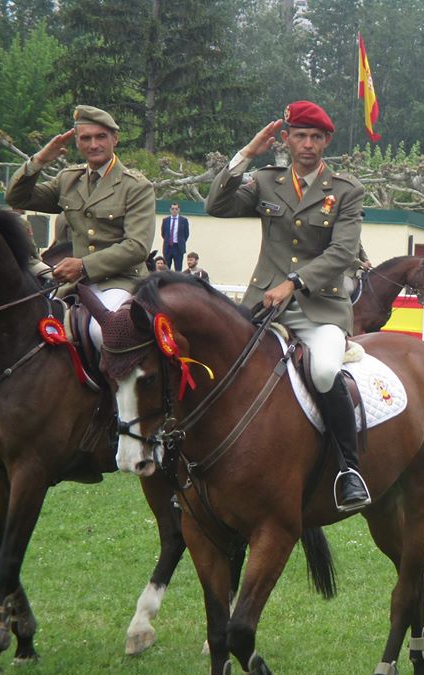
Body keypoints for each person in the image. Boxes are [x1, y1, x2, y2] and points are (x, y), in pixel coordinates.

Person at [205, 99, 370, 513]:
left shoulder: (346, 191)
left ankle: (348, 470)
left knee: (325, 370)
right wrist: (245, 155)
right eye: (300, 136)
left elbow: (344, 251)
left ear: (327, 141)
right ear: (286, 140)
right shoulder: (265, 181)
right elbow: (216, 206)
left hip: (321, 308)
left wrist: (294, 283)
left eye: (316, 137)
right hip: (262, 303)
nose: (308, 144)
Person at [5, 104, 154, 349]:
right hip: (74, 284)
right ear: (77, 143)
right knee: (35, 330)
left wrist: (84, 265)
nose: (93, 144)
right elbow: (16, 198)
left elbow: (137, 247)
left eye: (101, 137)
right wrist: (40, 160)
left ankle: (113, 388)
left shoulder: (136, 186)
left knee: (101, 333)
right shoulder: (68, 179)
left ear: (114, 139)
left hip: (119, 281)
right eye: (86, 138)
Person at [161, 202, 190, 271]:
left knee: (178, 268)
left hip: (178, 248)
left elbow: (186, 234)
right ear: (170, 210)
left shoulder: (184, 220)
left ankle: (178, 281)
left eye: (176, 209)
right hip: (168, 247)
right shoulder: (165, 220)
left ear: (179, 210)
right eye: (173, 209)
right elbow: (163, 233)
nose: (174, 210)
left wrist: (181, 241)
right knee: (166, 268)